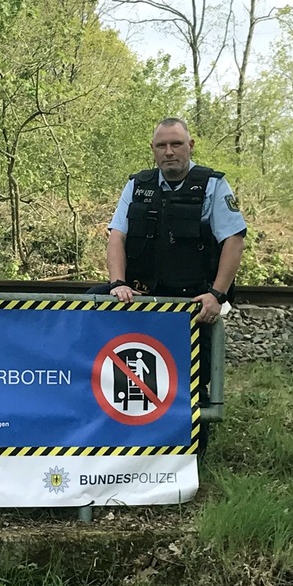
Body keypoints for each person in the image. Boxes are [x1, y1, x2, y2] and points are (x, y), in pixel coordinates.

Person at [96, 117, 247, 448]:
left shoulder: (213, 185)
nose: (169, 152)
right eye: (161, 146)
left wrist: (216, 295)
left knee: (191, 381)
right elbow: (116, 235)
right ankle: (111, 435)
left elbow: (234, 240)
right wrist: (117, 283)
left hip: (193, 304)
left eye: (176, 144)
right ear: (152, 150)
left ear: (190, 146)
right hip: (142, 296)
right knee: (95, 323)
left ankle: (190, 455)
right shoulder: (138, 184)